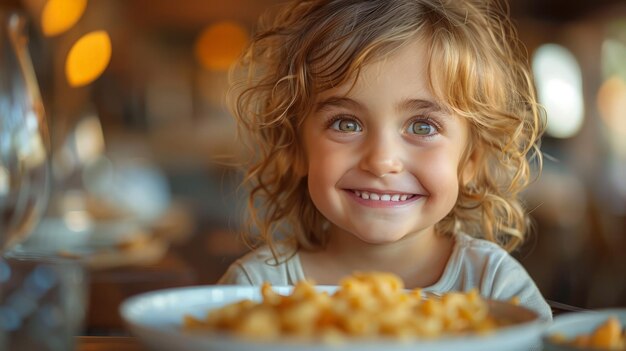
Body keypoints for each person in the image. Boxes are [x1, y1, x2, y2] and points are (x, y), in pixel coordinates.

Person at [218, 0, 552, 321]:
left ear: (471, 161)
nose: (381, 161)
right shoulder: (254, 291)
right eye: (346, 124)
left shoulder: (496, 288)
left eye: (422, 127)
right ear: (296, 151)